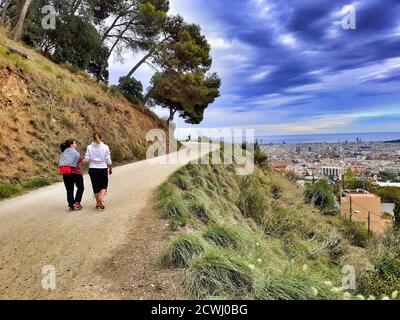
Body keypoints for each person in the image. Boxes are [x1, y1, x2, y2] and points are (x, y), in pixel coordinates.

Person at [85, 133, 112, 210]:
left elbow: (87, 158)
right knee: (103, 185)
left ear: (93, 138)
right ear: (101, 137)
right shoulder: (105, 147)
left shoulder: (89, 147)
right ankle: (101, 199)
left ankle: (97, 203)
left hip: (92, 169)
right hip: (103, 168)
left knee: (95, 186)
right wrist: (110, 167)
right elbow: (107, 159)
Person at [59, 139, 84, 212]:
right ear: (71, 145)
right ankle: (77, 202)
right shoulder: (75, 153)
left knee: (69, 190)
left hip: (66, 173)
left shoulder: (63, 153)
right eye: (75, 143)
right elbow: (79, 161)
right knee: (81, 187)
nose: (76, 144)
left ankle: (71, 206)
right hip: (76, 173)